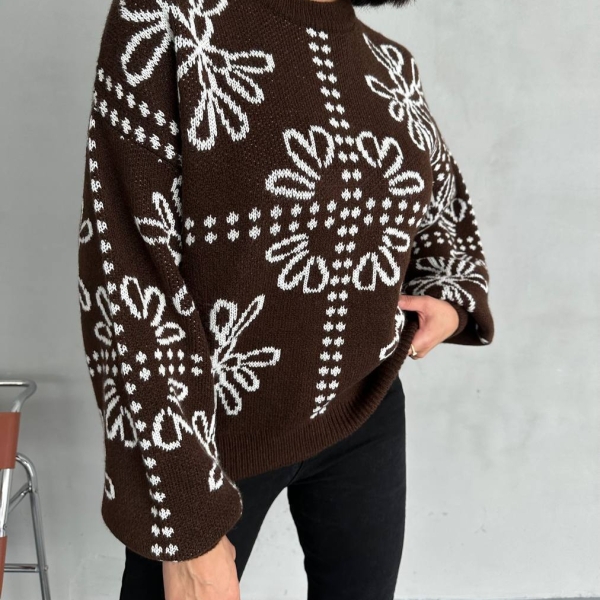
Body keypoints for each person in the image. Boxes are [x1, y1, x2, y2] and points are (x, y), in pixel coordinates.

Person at [77, 0, 494, 597]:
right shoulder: (171, 18)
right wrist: (185, 528)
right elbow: (128, 272)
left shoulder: (389, 62)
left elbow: (439, 208)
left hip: (369, 410)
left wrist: (449, 297)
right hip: (211, 439)